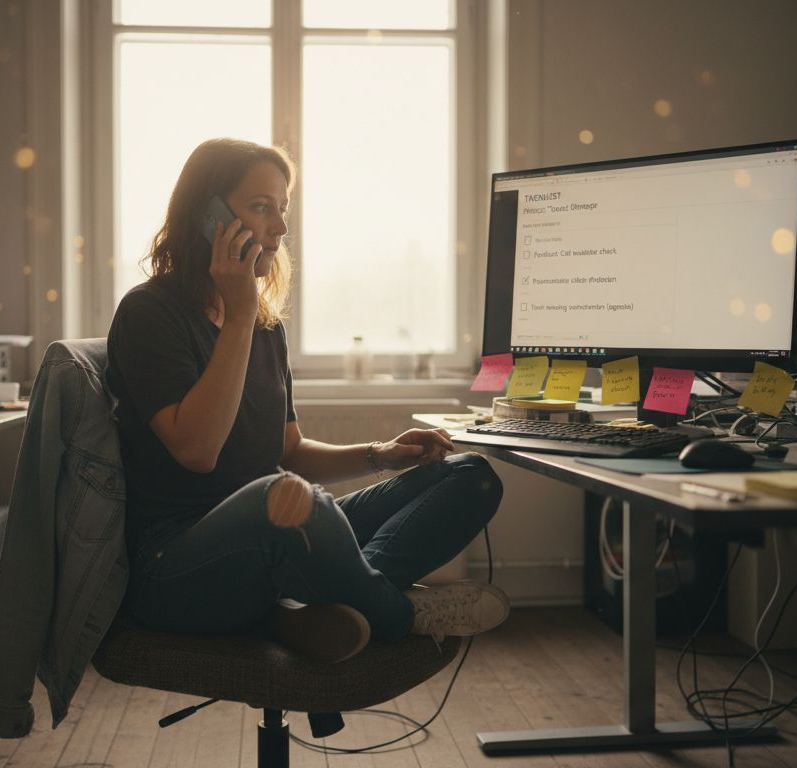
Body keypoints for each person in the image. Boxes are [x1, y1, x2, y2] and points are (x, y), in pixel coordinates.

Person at [105, 138, 508, 663]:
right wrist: (241, 313)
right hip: (175, 567)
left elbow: (287, 450)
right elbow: (197, 451)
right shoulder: (149, 313)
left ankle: (324, 605)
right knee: (290, 498)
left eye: (284, 209)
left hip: (273, 539)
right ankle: (398, 614)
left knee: (470, 475)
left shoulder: (265, 327)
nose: (281, 227)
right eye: (261, 207)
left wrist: (378, 455)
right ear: (207, 215)